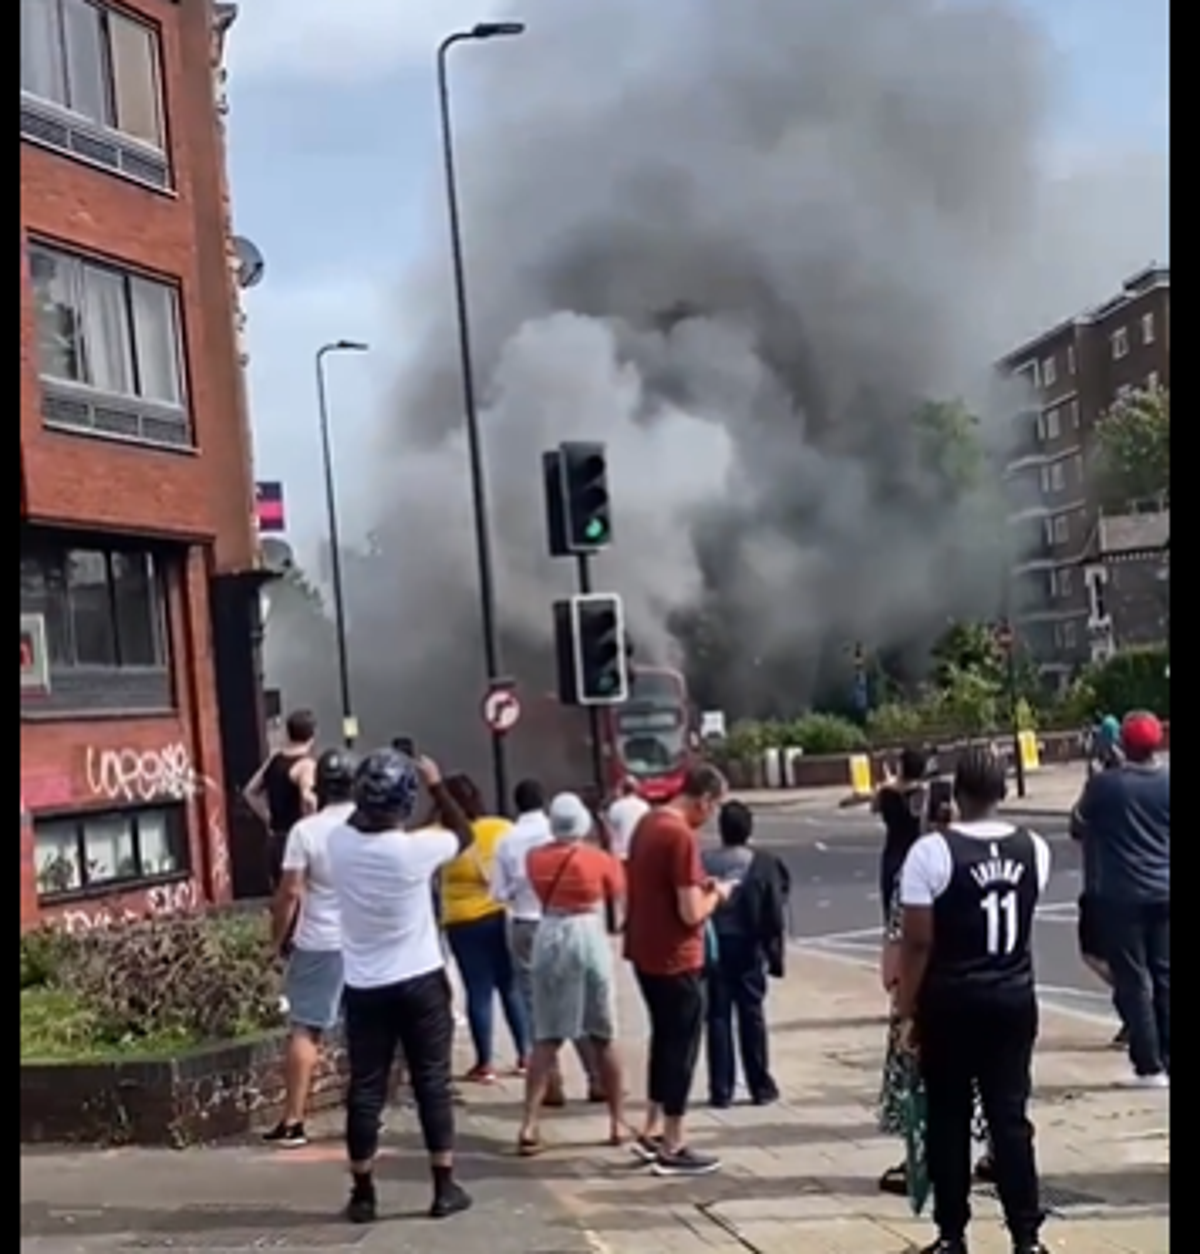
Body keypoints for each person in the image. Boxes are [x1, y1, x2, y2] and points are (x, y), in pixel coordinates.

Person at [895, 746, 1050, 1254]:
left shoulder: (931, 853)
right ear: (1003, 791)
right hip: (1013, 996)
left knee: (949, 1117)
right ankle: (1026, 1236)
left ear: (955, 794)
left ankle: (952, 1234)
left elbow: (918, 943)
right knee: (1010, 1120)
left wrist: (906, 1010)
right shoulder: (1034, 848)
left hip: (951, 1000)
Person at [327, 748, 474, 1224]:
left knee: (366, 1088)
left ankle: (363, 1193)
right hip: (420, 980)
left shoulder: (338, 844)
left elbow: (353, 819)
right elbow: (464, 833)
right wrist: (436, 784)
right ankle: (443, 1187)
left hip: (365, 985)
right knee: (432, 1081)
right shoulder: (417, 850)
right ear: (405, 802)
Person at [624, 762, 731, 1177]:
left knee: (663, 1039)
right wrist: (717, 895)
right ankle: (673, 1141)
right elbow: (690, 912)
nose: (712, 816)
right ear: (703, 799)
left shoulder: (648, 822)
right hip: (677, 956)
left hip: (645, 950)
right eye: (714, 806)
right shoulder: (680, 835)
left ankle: (651, 1128)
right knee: (682, 1049)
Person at [517, 792, 627, 1154]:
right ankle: (617, 1121)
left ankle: (530, 1123)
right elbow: (618, 889)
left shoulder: (534, 858)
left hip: (549, 932)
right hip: (587, 933)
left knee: (546, 1036)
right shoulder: (597, 859)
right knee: (604, 1033)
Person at [263, 749, 357, 1148]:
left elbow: (290, 893)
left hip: (319, 941)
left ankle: (293, 1121)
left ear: (319, 787)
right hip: (365, 942)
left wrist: (275, 942)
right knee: (364, 1031)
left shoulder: (306, 832)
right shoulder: (371, 827)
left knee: (306, 1029)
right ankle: (364, 1115)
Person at [491, 778, 605, 1106]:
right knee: (578, 1000)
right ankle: (596, 1077)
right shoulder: (561, 834)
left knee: (535, 1005)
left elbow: (498, 892)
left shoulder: (507, 839)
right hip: (565, 921)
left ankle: (551, 1082)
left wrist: (519, 891)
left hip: (526, 924)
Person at [1070, 711, 1169, 1086]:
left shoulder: (1106, 786)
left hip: (1121, 893)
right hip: (1164, 888)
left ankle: (1149, 1066)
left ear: (1123, 744)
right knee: (1164, 974)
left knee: (1133, 978)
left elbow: (1077, 826)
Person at [438, 773, 531, 1082]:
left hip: (460, 920)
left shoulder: (443, 836)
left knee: (478, 991)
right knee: (510, 986)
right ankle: (525, 1054)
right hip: (495, 914)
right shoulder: (500, 828)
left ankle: (485, 1064)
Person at [702, 800, 788, 1108]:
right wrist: (774, 951)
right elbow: (775, 909)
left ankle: (720, 1089)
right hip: (749, 945)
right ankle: (759, 1086)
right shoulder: (763, 862)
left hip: (714, 945)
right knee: (751, 1015)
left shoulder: (704, 861)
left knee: (717, 1016)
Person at [243, 709, 318, 890]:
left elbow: (250, 791)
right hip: (297, 841)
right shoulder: (306, 765)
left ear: (288, 733)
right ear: (312, 735)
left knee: (281, 893)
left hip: (275, 840)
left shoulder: (275, 760)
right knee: (302, 894)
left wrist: (267, 816)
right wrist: (314, 824)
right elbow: (308, 799)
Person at [872, 747, 931, 925]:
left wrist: (887, 784)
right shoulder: (923, 793)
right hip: (919, 854)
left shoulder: (887, 793)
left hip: (894, 854)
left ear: (901, 767)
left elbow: (874, 807)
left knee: (893, 911)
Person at [606, 777, 650, 863]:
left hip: (620, 853)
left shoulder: (615, 807)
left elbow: (610, 830)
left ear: (621, 790)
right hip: (640, 851)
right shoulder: (644, 806)